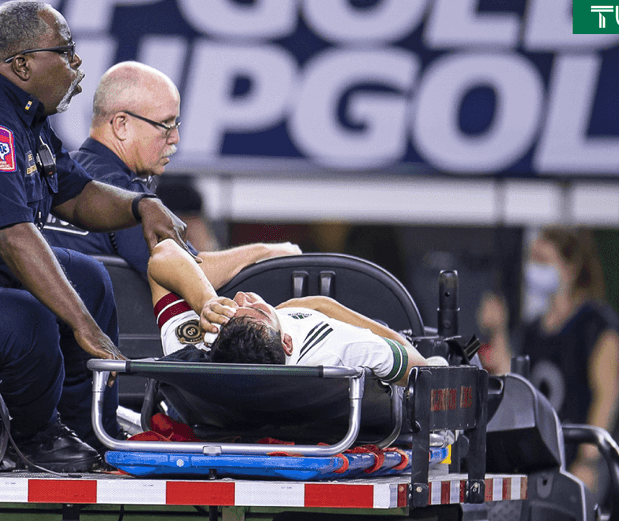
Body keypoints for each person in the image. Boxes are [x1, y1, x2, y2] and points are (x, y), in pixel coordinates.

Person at [0, 0, 186, 466]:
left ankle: (88, 433)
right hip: (6, 256)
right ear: (22, 64)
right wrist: (83, 326)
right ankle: (34, 438)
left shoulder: (29, 121)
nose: (77, 64)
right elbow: (13, 235)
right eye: (66, 52)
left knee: (88, 277)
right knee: (32, 317)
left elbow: (78, 195)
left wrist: (141, 204)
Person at [41, 61, 299, 284]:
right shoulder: (126, 195)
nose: (174, 137)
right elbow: (196, 276)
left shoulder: (55, 175)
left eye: (175, 124)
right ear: (121, 125)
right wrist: (269, 252)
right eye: (164, 124)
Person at [145, 237, 426, 385]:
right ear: (287, 343)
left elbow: (164, 253)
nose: (241, 296)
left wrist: (206, 301)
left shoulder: (190, 348)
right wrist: (320, 306)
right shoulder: (335, 347)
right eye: (256, 310)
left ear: (212, 339)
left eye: (230, 310)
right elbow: (422, 371)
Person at [477, 226, 619, 494]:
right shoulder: (534, 328)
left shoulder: (597, 324)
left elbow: (607, 396)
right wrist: (497, 328)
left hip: (578, 462)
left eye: (543, 261)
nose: (534, 270)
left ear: (571, 267)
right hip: (541, 462)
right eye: (532, 261)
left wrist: (587, 461)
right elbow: (517, 383)